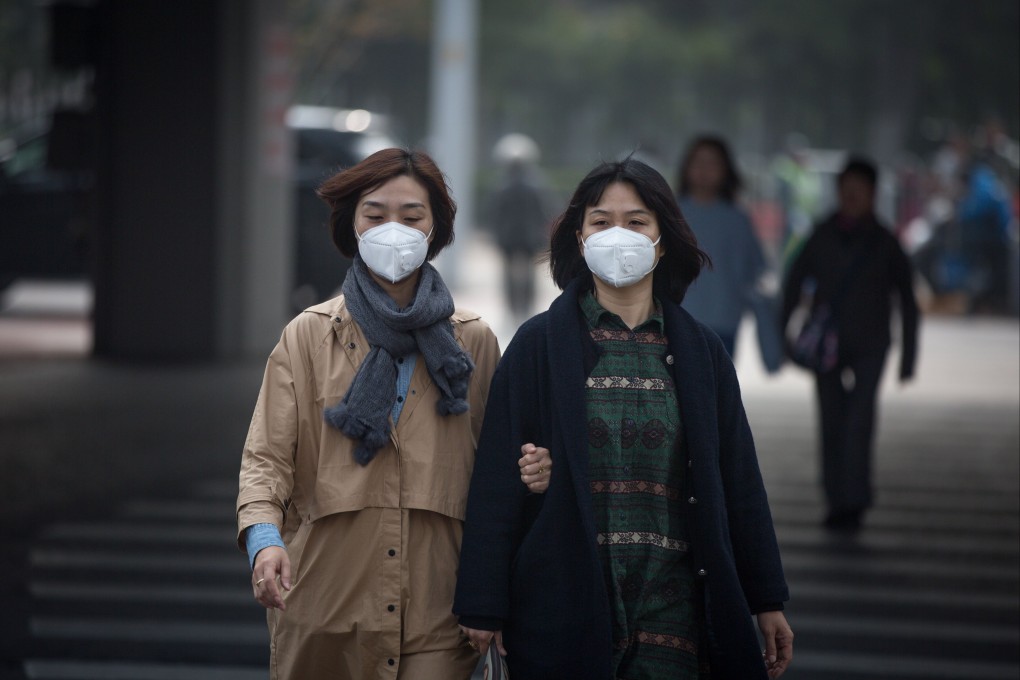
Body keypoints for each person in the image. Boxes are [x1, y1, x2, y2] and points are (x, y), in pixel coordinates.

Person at [455, 158, 793, 679]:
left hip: (673, 610)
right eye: (601, 221)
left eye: (636, 222)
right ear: (579, 235)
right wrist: (483, 600)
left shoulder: (702, 352)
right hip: (563, 602)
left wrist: (766, 597)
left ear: (662, 239)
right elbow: (496, 478)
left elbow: (739, 481)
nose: (619, 236)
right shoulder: (538, 346)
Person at [234, 148, 550, 680]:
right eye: (375, 215)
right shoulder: (308, 335)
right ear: (351, 225)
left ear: (436, 228)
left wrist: (535, 470)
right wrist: (264, 542)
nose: (393, 229)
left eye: (412, 216)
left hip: (439, 610)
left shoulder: (472, 342)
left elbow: (500, 471)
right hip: (325, 607)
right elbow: (266, 457)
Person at [781, 157, 919, 532]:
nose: (853, 195)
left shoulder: (886, 242)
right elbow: (793, 284)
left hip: (872, 344)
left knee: (859, 421)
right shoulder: (821, 235)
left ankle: (855, 499)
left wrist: (909, 358)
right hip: (827, 344)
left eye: (861, 188)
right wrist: (783, 334)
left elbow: (908, 299)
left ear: (873, 194)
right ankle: (835, 498)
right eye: (847, 187)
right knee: (830, 420)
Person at [676, 134, 768, 359]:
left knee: (717, 387)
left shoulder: (737, 218)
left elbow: (755, 268)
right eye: (698, 162)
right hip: (677, 320)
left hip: (725, 322)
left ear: (726, 170)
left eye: (712, 163)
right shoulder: (671, 214)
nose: (705, 170)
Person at [488, 133, 553, 323]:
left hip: (509, 238)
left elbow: (493, 215)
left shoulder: (500, 185)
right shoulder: (537, 185)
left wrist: (496, 235)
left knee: (509, 276)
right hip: (529, 237)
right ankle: (524, 309)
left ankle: (514, 310)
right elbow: (546, 211)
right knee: (528, 276)